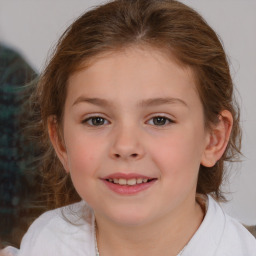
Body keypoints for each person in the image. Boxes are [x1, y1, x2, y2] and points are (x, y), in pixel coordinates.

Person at [1, 0, 256, 255]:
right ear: (60, 141)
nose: (125, 146)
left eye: (160, 120)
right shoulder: (47, 238)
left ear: (213, 138)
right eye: (97, 120)